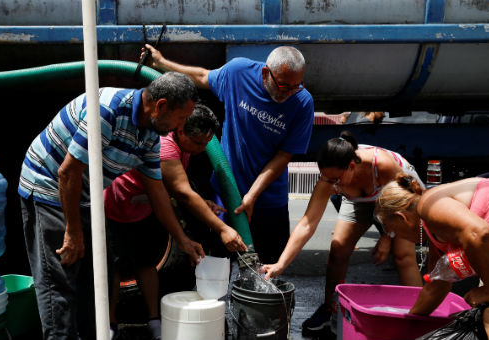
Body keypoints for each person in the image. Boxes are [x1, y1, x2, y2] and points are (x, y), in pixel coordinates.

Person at [18, 72, 206, 340]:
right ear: (161, 106)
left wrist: (182, 239)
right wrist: (72, 232)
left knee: (100, 277)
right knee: (59, 279)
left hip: (85, 194)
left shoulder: (151, 133)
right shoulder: (106, 111)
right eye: (181, 117)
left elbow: (157, 191)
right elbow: (67, 174)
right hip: (48, 187)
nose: (182, 125)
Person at [142, 44, 314, 264]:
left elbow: (283, 156)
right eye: (283, 86)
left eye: (296, 87)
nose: (288, 93)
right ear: (265, 73)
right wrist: (161, 63)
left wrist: (252, 195)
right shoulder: (238, 73)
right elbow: (203, 77)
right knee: (219, 263)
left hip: (269, 200)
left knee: (268, 267)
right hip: (226, 191)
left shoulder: (302, 103)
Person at [105, 103, 247, 339]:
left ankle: (154, 321)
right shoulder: (166, 146)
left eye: (206, 143)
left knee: (146, 262)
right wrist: (223, 228)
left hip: (146, 208)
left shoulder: (185, 146)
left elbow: (172, 185)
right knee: (113, 267)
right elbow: (181, 192)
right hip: (116, 206)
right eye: (199, 143)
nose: (202, 149)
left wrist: (203, 202)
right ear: (181, 131)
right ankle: (109, 325)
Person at [261, 131, 424, 334]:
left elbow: (403, 202)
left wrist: (387, 236)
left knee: (403, 256)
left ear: (352, 166)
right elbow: (307, 223)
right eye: (327, 179)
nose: (332, 185)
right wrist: (281, 264)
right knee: (338, 250)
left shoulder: (381, 164)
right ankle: (330, 310)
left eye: (336, 179)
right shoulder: (330, 179)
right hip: (359, 202)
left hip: (398, 197)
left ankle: (422, 318)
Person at [375, 176, 489, 339]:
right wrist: (406, 327)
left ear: (402, 218)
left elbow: (479, 233)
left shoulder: (429, 206)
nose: (397, 236)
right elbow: (436, 288)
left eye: (392, 231)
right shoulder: (436, 235)